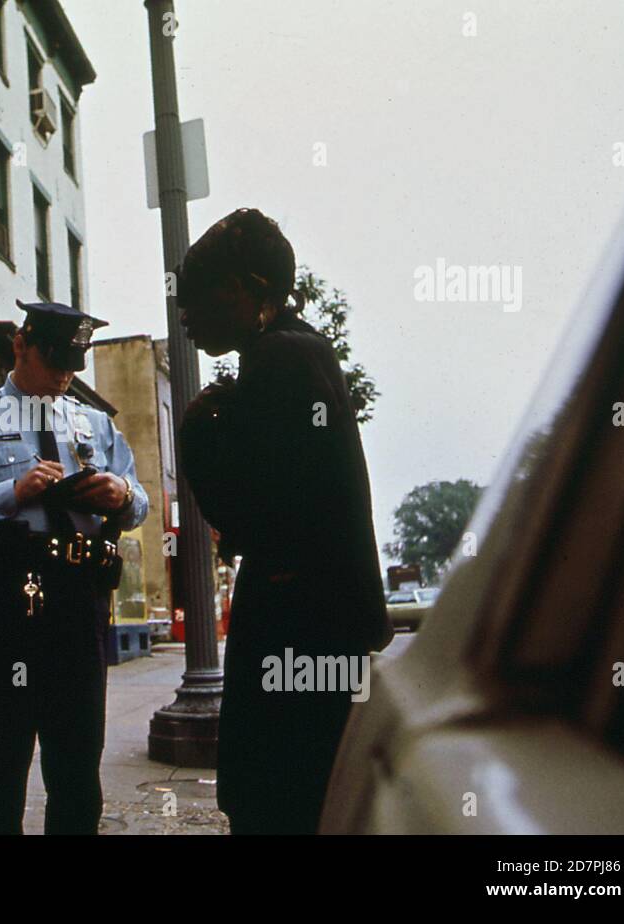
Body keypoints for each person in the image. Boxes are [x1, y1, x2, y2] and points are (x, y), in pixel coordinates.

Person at [175, 208, 393, 834]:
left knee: (276, 805)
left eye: (197, 297)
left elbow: (250, 518)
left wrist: (198, 435)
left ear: (244, 290)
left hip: (298, 630)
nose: (185, 316)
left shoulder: (280, 360)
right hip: (316, 629)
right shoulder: (299, 352)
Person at [0, 300, 149, 834]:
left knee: (76, 768)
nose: (64, 377)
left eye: (72, 367)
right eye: (54, 363)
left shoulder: (93, 424)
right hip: (5, 606)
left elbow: (140, 504)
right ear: (20, 345)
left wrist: (121, 494)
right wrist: (9, 492)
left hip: (78, 605)